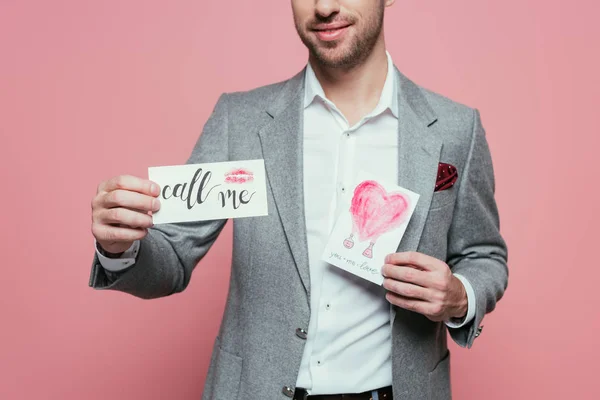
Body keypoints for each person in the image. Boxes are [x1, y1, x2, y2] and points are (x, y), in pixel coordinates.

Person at [88, 0, 508, 399]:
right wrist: (120, 247)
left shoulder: (455, 128)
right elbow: (173, 258)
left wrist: (460, 295)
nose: (324, 7)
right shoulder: (242, 121)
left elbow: (484, 253)